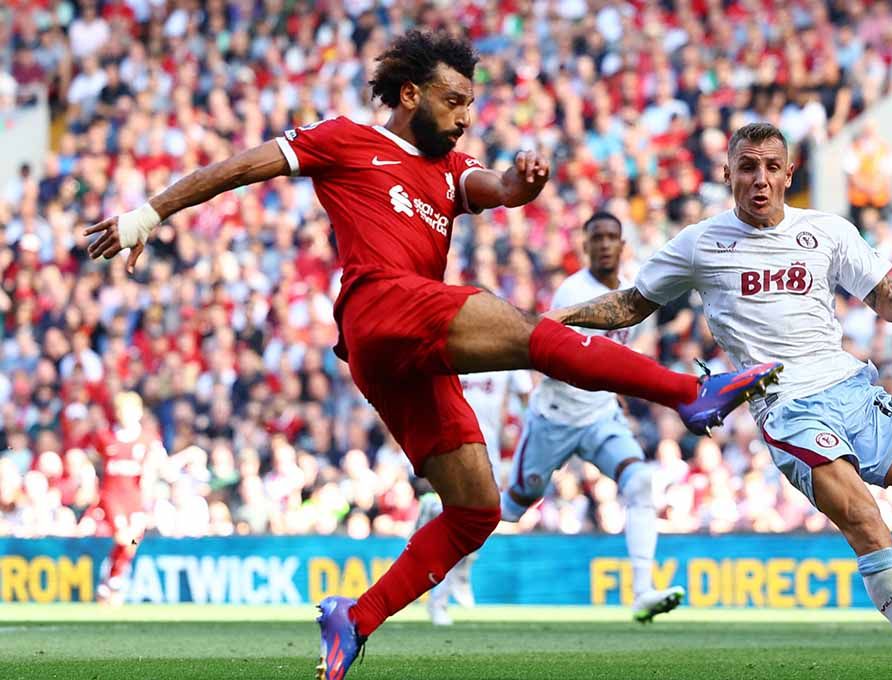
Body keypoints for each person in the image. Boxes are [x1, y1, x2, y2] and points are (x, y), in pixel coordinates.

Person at [82, 31, 780, 679]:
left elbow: (495, 189)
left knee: (475, 508)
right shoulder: (345, 138)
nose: (464, 117)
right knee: (536, 336)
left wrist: (521, 188)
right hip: (381, 304)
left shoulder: (451, 166)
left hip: (395, 355)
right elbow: (242, 168)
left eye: (471, 105)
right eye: (453, 101)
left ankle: (355, 618)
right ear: (410, 94)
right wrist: (148, 215)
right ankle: (688, 394)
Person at [549, 123, 892, 680]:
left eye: (770, 167)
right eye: (747, 168)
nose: (759, 180)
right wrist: (561, 318)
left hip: (854, 388)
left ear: (788, 174)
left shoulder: (828, 231)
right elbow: (633, 305)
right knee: (863, 516)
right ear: (728, 174)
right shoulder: (700, 242)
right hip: (787, 407)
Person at [502, 211, 685, 623]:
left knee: (640, 480)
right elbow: (560, 358)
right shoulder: (572, 293)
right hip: (556, 416)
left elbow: (617, 355)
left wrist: (615, 391)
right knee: (511, 510)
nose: (604, 244)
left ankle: (643, 592)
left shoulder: (636, 292)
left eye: (611, 237)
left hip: (599, 415)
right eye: (596, 237)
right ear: (585, 246)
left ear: (623, 245)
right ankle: (447, 573)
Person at [424, 363, 532, 626]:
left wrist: (525, 440)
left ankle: (435, 515)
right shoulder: (453, 346)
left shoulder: (507, 350)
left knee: (487, 517)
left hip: (489, 448)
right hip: (451, 444)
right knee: (459, 520)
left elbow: (528, 399)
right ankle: (439, 601)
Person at [89, 392, 164, 606]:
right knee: (123, 537)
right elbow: (91, 460)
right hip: (113, 498)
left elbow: (156, 467)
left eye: (129, 411)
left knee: (131, 543)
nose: (124, 415)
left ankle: (111, 579)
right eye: (121, 411)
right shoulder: (105, 437)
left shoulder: (148, 439)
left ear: (139, 412)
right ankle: (113, 580)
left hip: (136, 499)